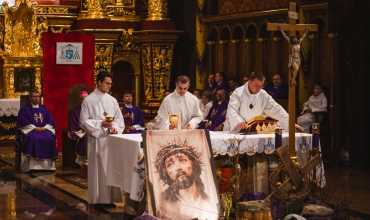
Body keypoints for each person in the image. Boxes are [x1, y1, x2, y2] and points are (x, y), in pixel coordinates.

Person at [80, 71, 125, 204]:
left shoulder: (112, 100)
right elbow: (83, 121)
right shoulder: (88, 100)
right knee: (98, 169)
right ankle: (98, 199)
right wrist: (100, 123)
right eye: (107, 83)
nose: (109, 86)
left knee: (110, 168)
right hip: (97, 140)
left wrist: (115, 127)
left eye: (110, 84)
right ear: (99, 82)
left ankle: (110, 199)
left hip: (111, 139)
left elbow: (119, 120)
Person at [155, 143, 218, 219]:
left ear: (193, 163)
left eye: (182, 160)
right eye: (170, 164)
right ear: (167, 173)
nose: (178, 167)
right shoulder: (163, 204)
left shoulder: (210, 201)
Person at [226, 71, 303, 133]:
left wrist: (290, 123)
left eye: (261, 85)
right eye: (256, 85)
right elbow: (232, 110)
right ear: (249, 82)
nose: (258, 88)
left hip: (255, 130)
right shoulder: (238, 93)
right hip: (239, 130)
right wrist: (239, 122)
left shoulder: (263, 94)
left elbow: (277, 109)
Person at [15, 89, 59, 172]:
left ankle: (47, 167)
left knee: (49, 138)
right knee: (32, 138)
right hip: (31, 131)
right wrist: (33, 127)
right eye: (34, 96)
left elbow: (50, 121)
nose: (36, 98)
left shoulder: (45, 109)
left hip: (44, 130)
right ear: (30, 98)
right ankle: (32, 167)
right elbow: (22, 121)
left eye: (38, 96)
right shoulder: (24, 109)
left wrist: (45, 127)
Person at [68, 90, 89, 166]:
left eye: (86, 99)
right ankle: (84, 163)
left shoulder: (92, 109)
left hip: (91, 130)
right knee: (85, 138)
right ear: (80, 99)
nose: (85, 100)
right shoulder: (75, 110)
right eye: (83, 99)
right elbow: (74, 123)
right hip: (81, 130)